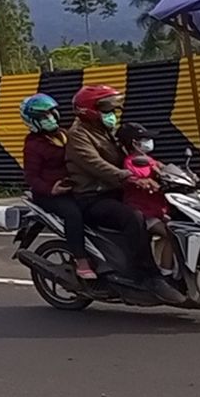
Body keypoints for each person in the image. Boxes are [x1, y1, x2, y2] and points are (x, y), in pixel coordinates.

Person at [65, 85, 184, 305]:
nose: (112, 114)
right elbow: (96, 164)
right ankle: (146, 275)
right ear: (89, 110)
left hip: (117, 191)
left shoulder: (104, 130)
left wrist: (168, 172)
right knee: (134, 217)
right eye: (107, 109)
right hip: (93, 198)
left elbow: (135, 155)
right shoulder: (78, 136)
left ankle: (170, 271)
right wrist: (130, 177)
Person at [20, 93, 94, 280]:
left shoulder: (65, 135)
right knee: (73, 214)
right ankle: (81, 259)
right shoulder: (33, 145)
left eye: (52, 114)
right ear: (33, 121)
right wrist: (51, 189)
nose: (51, 119)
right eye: (44, 117)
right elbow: (31, 177)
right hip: (49, 195)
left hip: (75, 187)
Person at [116, 122, 176, 278]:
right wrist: (151, 181)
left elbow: (164, 169)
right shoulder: (131, 162)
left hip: (158, 210)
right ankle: (166, 274)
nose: (149, 142)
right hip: (145, 212)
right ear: (134, 143)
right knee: (172, 235)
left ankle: (164, 264)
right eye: (144, 139)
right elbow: (142, 178)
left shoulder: (148, 159)